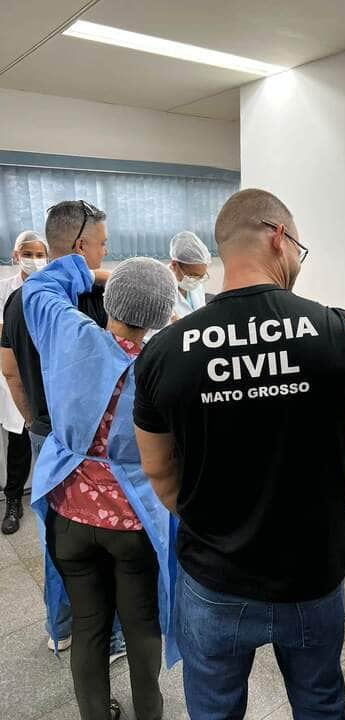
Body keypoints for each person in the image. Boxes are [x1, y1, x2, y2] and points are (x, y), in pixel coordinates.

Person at [134, 188, 345, 719]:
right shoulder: (340, 332)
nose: (296, 260)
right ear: (278, 238)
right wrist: (324, 515)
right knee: (319, 702)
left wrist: (213, 524)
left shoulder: (162, 352)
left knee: (215, 710)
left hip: (215, 577)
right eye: (299, 249)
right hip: (312, 575)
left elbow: (156, 469)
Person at [24, 254, 180, 720]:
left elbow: (37, 288)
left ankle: (94, 713)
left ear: (108, 300)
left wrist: (93, 273)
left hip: (69, 514)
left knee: (89, 624)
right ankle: (149, 712)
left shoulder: (69, 335)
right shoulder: (165, 365)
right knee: (141, 626)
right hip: (135, 522)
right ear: (162, 315)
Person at [1, 201, 125, 657]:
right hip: (90, 446)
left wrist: (35, 420)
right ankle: (110, 637)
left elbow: (10, 371)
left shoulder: (20, 300)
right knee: (101, 542)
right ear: (79, 245)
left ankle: (62, 626)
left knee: (57, 537)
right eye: (102, 243)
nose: (105, 251)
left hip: (44, 433)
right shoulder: (98, 300)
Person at [0, 231, 48, 534]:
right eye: (28, 254)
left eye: (39, 253)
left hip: (45, 375)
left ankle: (52, 500)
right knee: (19, 442)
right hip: (15, 373)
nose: (34, 259)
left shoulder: (51, 287)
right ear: (16, 255)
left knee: (47, 440)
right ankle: (13, 502)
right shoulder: (5, 289)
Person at [169, 231, 211, 318]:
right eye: (192, 275)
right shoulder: (160, 290)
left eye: (201, 276)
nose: (197, 280)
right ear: (174, 265)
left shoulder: (197, 283)